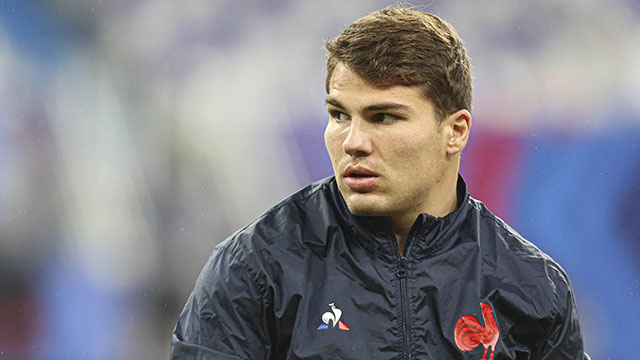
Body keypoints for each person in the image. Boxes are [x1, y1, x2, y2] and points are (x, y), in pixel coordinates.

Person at [171, 6, 589, 359]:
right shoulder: (254, 268)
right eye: (339, 115)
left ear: (456, 131)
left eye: (383, 117)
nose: (352, 142)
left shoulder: (532, 286)